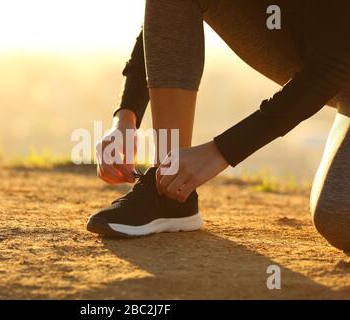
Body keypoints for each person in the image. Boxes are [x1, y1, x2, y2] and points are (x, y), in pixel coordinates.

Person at [87, 0, 350, 253]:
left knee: (339, 215)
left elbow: (333, 62)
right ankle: (169, 189)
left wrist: (220, 152)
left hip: (335, 62)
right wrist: (126, 116)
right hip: (325, 58)